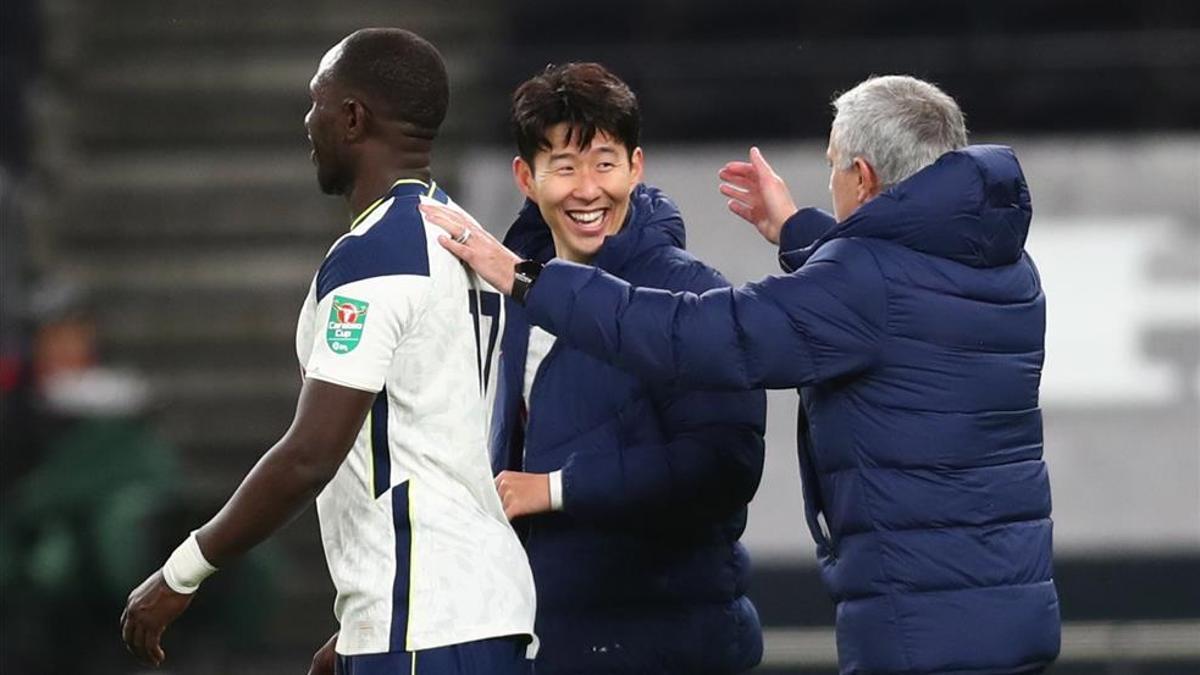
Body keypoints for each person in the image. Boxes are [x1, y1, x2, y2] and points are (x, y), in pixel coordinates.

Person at [422, 75, 1061, 674]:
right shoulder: (1000, 265)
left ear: (862, 177)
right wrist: (794, 228)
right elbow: (885, 291)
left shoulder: (863, 284)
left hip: (926, 623)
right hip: (1003, 604)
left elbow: (711, 336)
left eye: (833, 165)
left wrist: (528, 278)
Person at [120, 28, 537, 675]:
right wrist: (360, 624)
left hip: (424, 622)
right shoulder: (465, 236)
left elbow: (312, 452)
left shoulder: (377, 255)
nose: (306, 121)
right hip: (477, 611)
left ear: (351, 117)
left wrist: (182, 572)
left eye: (316, 103)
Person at [486, 62, 767, 673]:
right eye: (564, 167)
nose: (588, 189)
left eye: (605, 163)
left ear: (636, 167)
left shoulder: (693, 295)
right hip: (547, 642)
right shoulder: (507, 300)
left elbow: (724, 465)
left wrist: (557, 489)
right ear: (526, 179)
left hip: (672, 645)